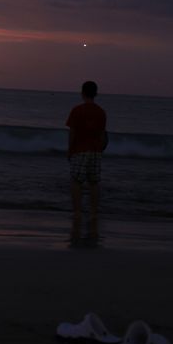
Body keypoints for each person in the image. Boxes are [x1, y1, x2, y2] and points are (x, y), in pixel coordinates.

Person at [65, 80, 108, 241]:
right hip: (96, 150)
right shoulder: (101, 112)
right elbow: (103, 135)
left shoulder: (77, 110)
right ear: (95, 93)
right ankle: (93, 213)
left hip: (80, 150)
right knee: (94, 182)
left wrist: (69, 150)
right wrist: (101, 149)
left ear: (82, 93)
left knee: (76, 181)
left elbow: (72, 133)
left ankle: (77, 212)